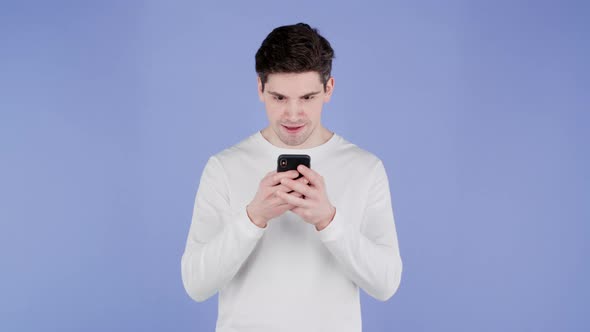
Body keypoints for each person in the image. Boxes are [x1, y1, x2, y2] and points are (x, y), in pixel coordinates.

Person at [181, 22, 402, 332]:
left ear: (329, 89)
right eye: (280, 98)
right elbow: (196, 284)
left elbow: (386, 284)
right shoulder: (224, 167)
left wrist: (329, 220)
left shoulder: (365, 168)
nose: (294, 114)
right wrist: (252, 218)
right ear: (260, 89)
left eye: (308, 98)